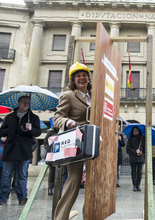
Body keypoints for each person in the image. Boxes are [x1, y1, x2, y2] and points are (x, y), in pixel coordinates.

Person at [53, 62, 92, 220]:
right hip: (76, 143)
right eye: (78, 76)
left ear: (88, 78)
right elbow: (57, 117)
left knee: (93, 182)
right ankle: (60, 217)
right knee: (74, 181)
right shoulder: (68, 95)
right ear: (73, 80)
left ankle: (90, 216)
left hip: (93, 142)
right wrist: (66, 122)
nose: (82, 78)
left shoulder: (94, 95)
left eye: (84, 75)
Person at [0, 96, 41, 206]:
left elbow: (38, 132)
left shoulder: (33, 118)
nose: (26, 104)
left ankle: (22, 197)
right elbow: (2, 131)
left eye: (28, 103)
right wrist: (10, 129)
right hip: (10, 151)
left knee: (22, 175)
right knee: (6, 175)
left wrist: (31, 128)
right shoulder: (10, 117)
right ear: (18, 103)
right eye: (24, 102)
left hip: (24, 151)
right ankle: (3, 198)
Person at [126, 126, 145, 192]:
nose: (135, 131)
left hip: (140, 158)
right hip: (133, 158)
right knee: (133, 172)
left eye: (137, 130)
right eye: (134, 130)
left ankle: (138, 185)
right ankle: (134, 185)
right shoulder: (130, 138)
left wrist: (141, 151)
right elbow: (127, 149)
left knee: (139, 172)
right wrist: (134, 151)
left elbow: (145, 148)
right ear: (133, 131)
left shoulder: (142, 138)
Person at [43, 126, 59, 195]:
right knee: (52, 172)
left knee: (59, 172)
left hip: (60, 154)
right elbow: (45, 141)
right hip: (51, 154)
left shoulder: (64, 130)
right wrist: (49, 149)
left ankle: (57, 187)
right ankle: (50, 188)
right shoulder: (51, 131)